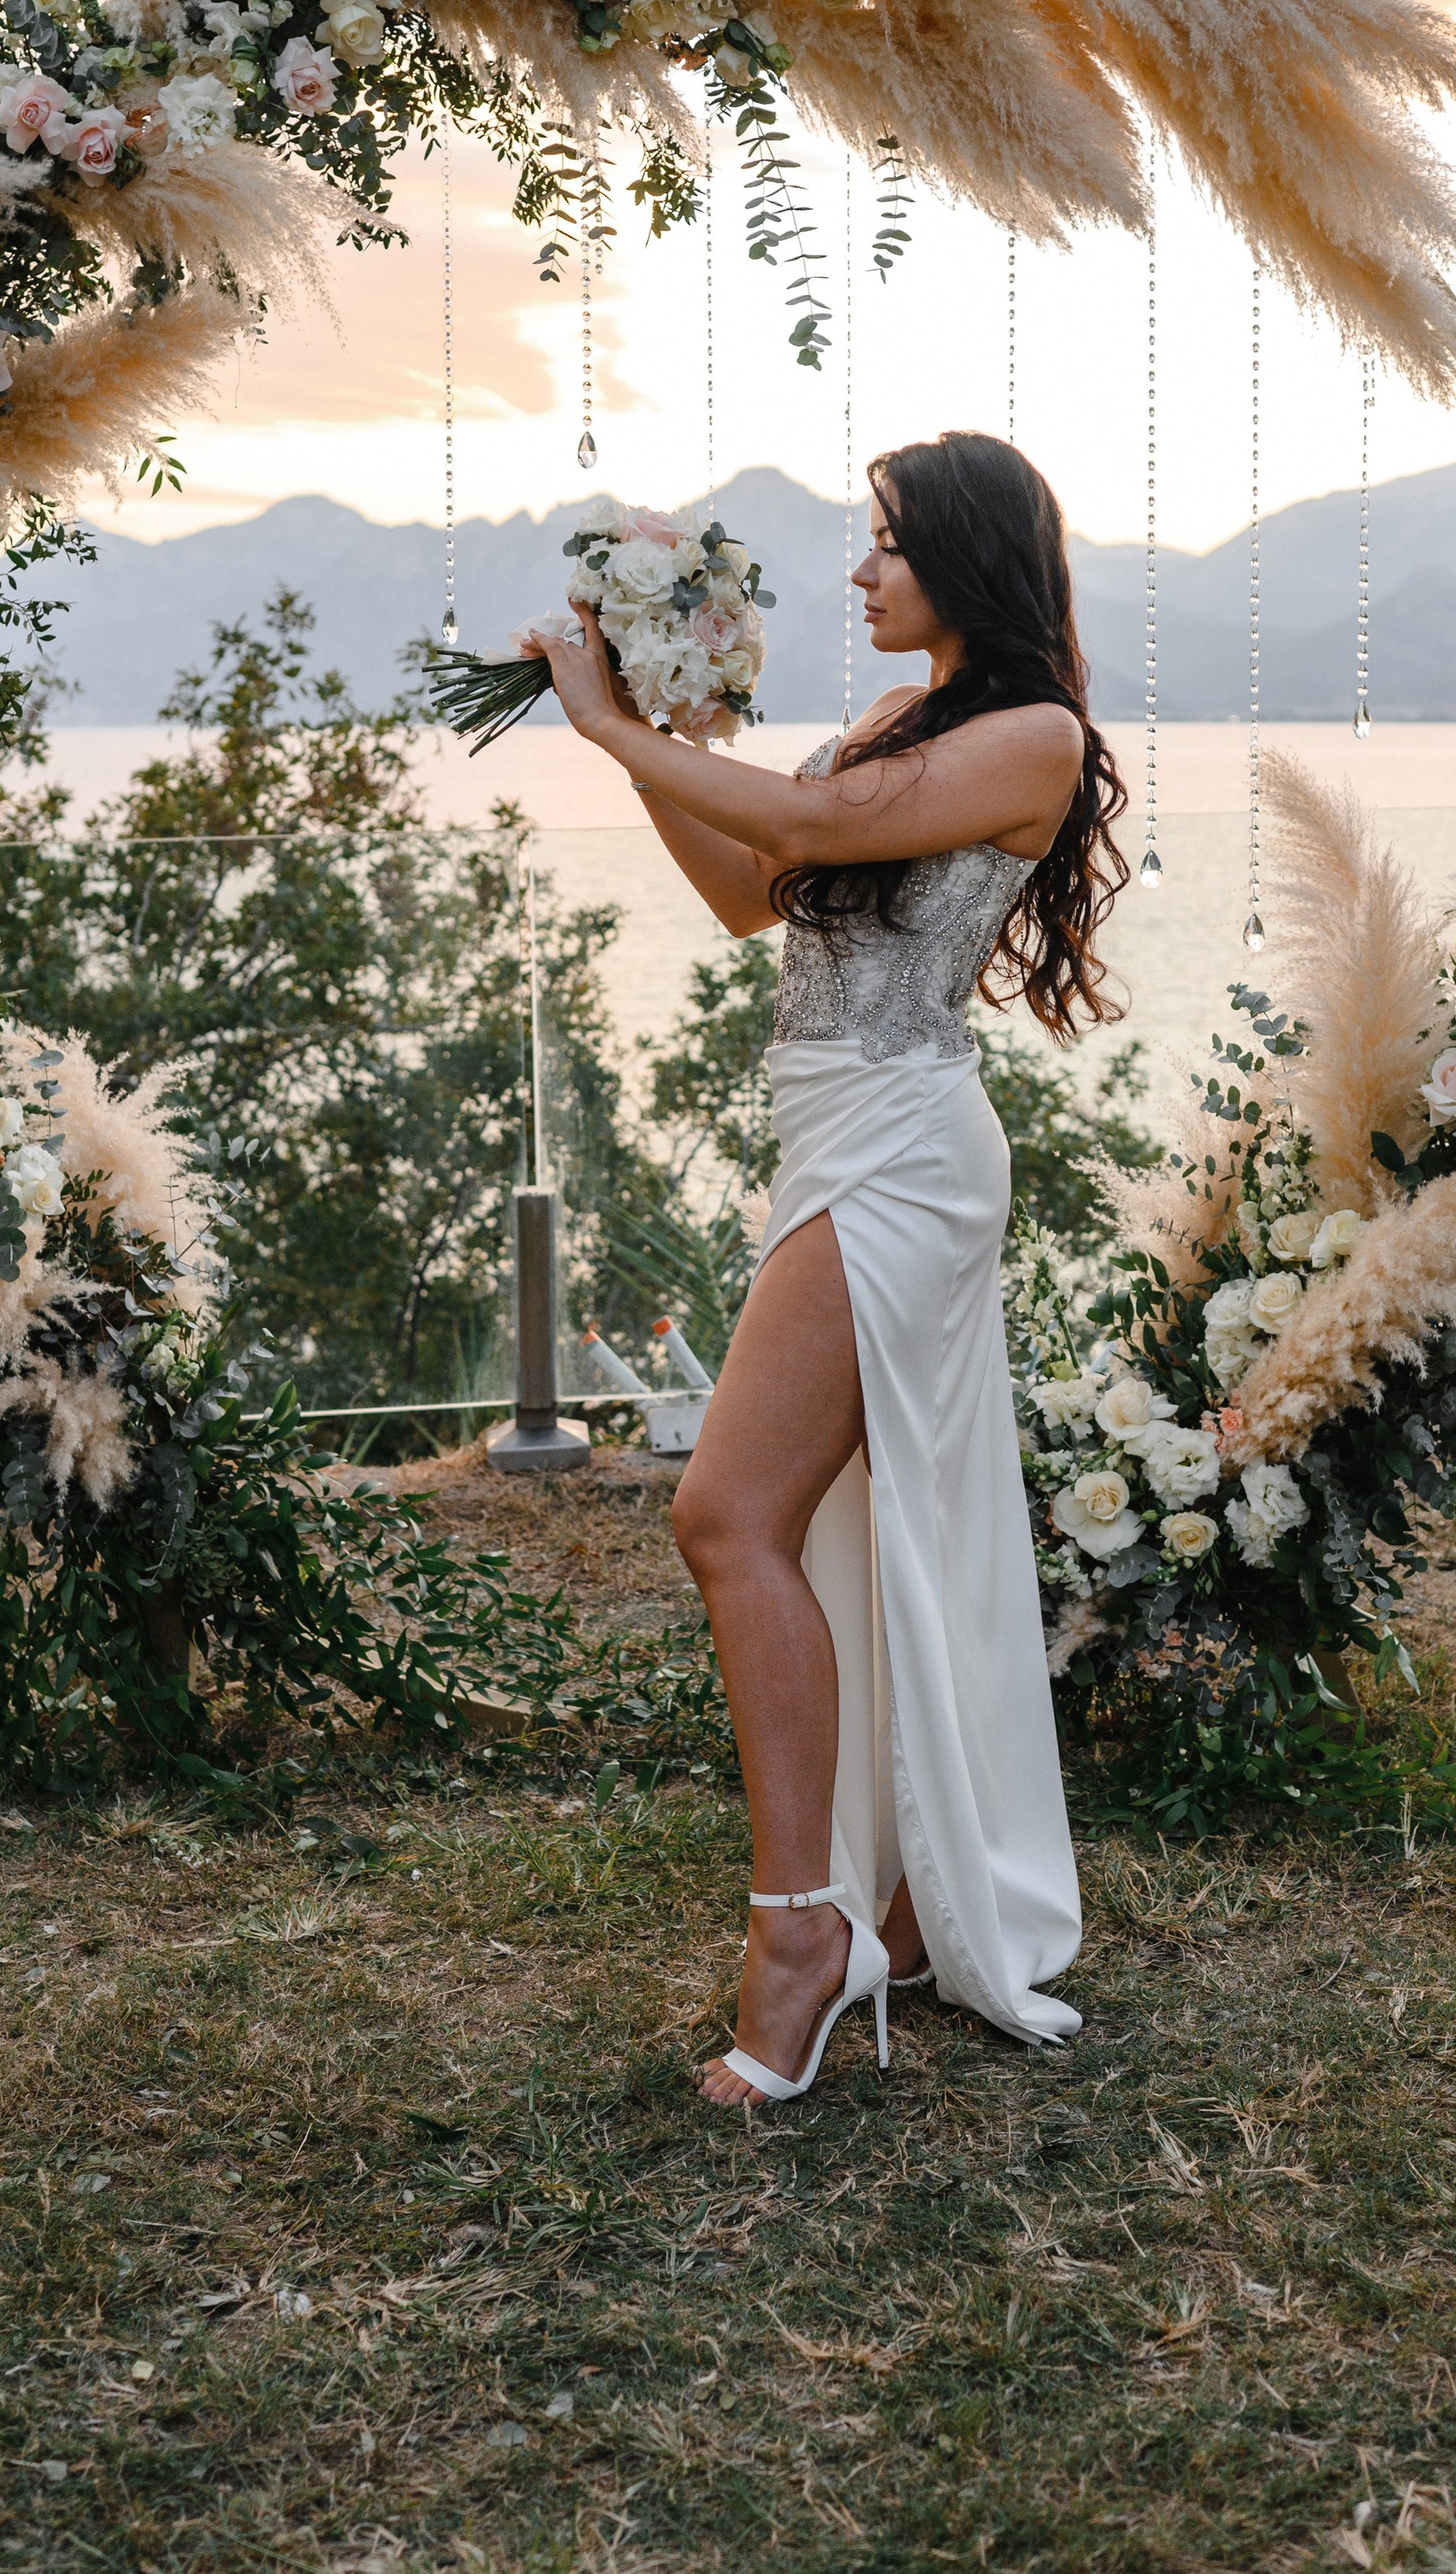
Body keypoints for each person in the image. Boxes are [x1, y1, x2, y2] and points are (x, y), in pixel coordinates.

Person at [526, 430, 1128, 2105]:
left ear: (962, 558)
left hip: (906, 1152)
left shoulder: (1032, 734)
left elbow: (793, 818)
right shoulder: (895, 729)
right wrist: (646, 745)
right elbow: (749, 887)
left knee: (728, 1514)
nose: (859, 574)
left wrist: (616, 714)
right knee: (849, 1529)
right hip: (836, 1132)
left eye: (884, 545)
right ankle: (911, 1906)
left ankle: (806, 1933)